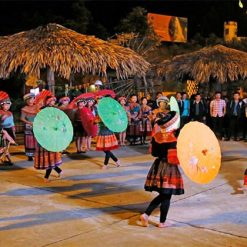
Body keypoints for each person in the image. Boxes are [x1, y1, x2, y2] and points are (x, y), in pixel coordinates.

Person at [140, 108, 184, 228]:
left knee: (163, 195)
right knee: (167, 195)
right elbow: (174, 158)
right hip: (169, 167)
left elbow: (153, 153)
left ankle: (147, 215)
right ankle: (161, 221)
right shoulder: (173, 137)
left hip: (158, 165)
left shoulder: (157, 136)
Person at [34, 95, 63, 182]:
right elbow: (39, 121)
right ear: (47, 102)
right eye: (51, 101)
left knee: (51, 156)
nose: (53, 102)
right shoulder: (42, 110)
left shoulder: (56, 110)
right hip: (43, 136)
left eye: (54, 101)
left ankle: (46, 177)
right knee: (47, 156)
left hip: (52, 136)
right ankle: (58, 170)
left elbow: (59, 122)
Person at [94, 93, 120, 170]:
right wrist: (95, 121)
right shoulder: (100, 109)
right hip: (101, 131)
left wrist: (108, 123)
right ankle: (116, 160)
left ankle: (106, 164)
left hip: (108, 131)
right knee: (104, 149)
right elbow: (97, 118)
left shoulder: (109, 109)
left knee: (107, 149)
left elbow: (113, 118)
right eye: (98, 101)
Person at [20, 93, 39, 161]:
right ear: (26, 101)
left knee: (37, 140)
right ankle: (30, 155)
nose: (31, 101)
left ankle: (37, 153)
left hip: (36, 125)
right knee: (29, 141)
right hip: (28, 126)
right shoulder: (24, 109)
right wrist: (29, 122)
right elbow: (22, 118)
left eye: (32, 99)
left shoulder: (37, 107)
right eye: (29, 99)